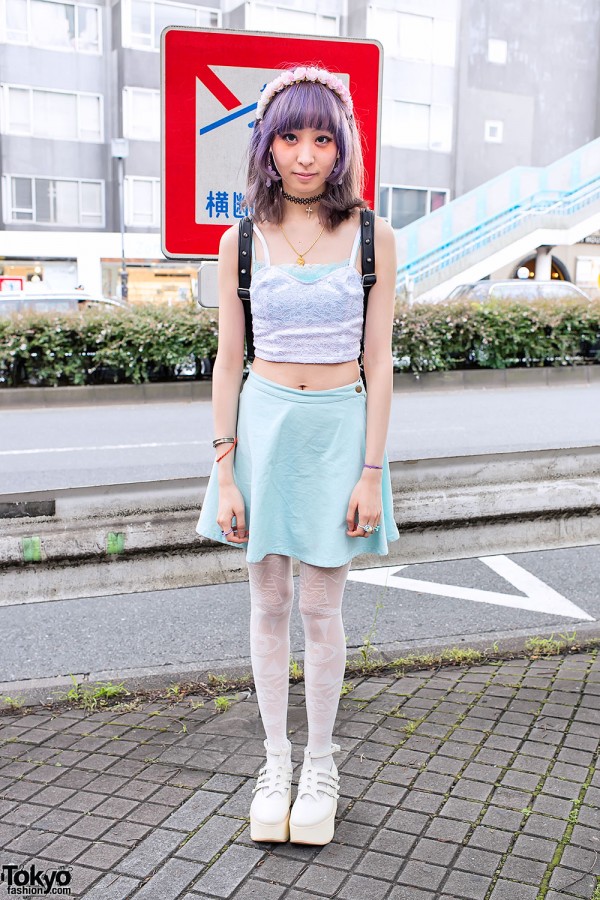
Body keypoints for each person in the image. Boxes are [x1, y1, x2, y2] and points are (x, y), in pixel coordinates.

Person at [196, 64, 400, 846]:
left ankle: (321, 760)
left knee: (322, 609)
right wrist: (224, 469)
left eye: (322, 136)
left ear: (342, 143)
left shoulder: (375, 235)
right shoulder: (240, 238)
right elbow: (226, 358)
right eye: (290, 136)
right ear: (267, 145)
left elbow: (379, 361)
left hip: (340, 431)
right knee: (268, 603)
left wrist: (373, 470)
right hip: (264, 429)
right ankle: (274, 759)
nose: (306, 153)